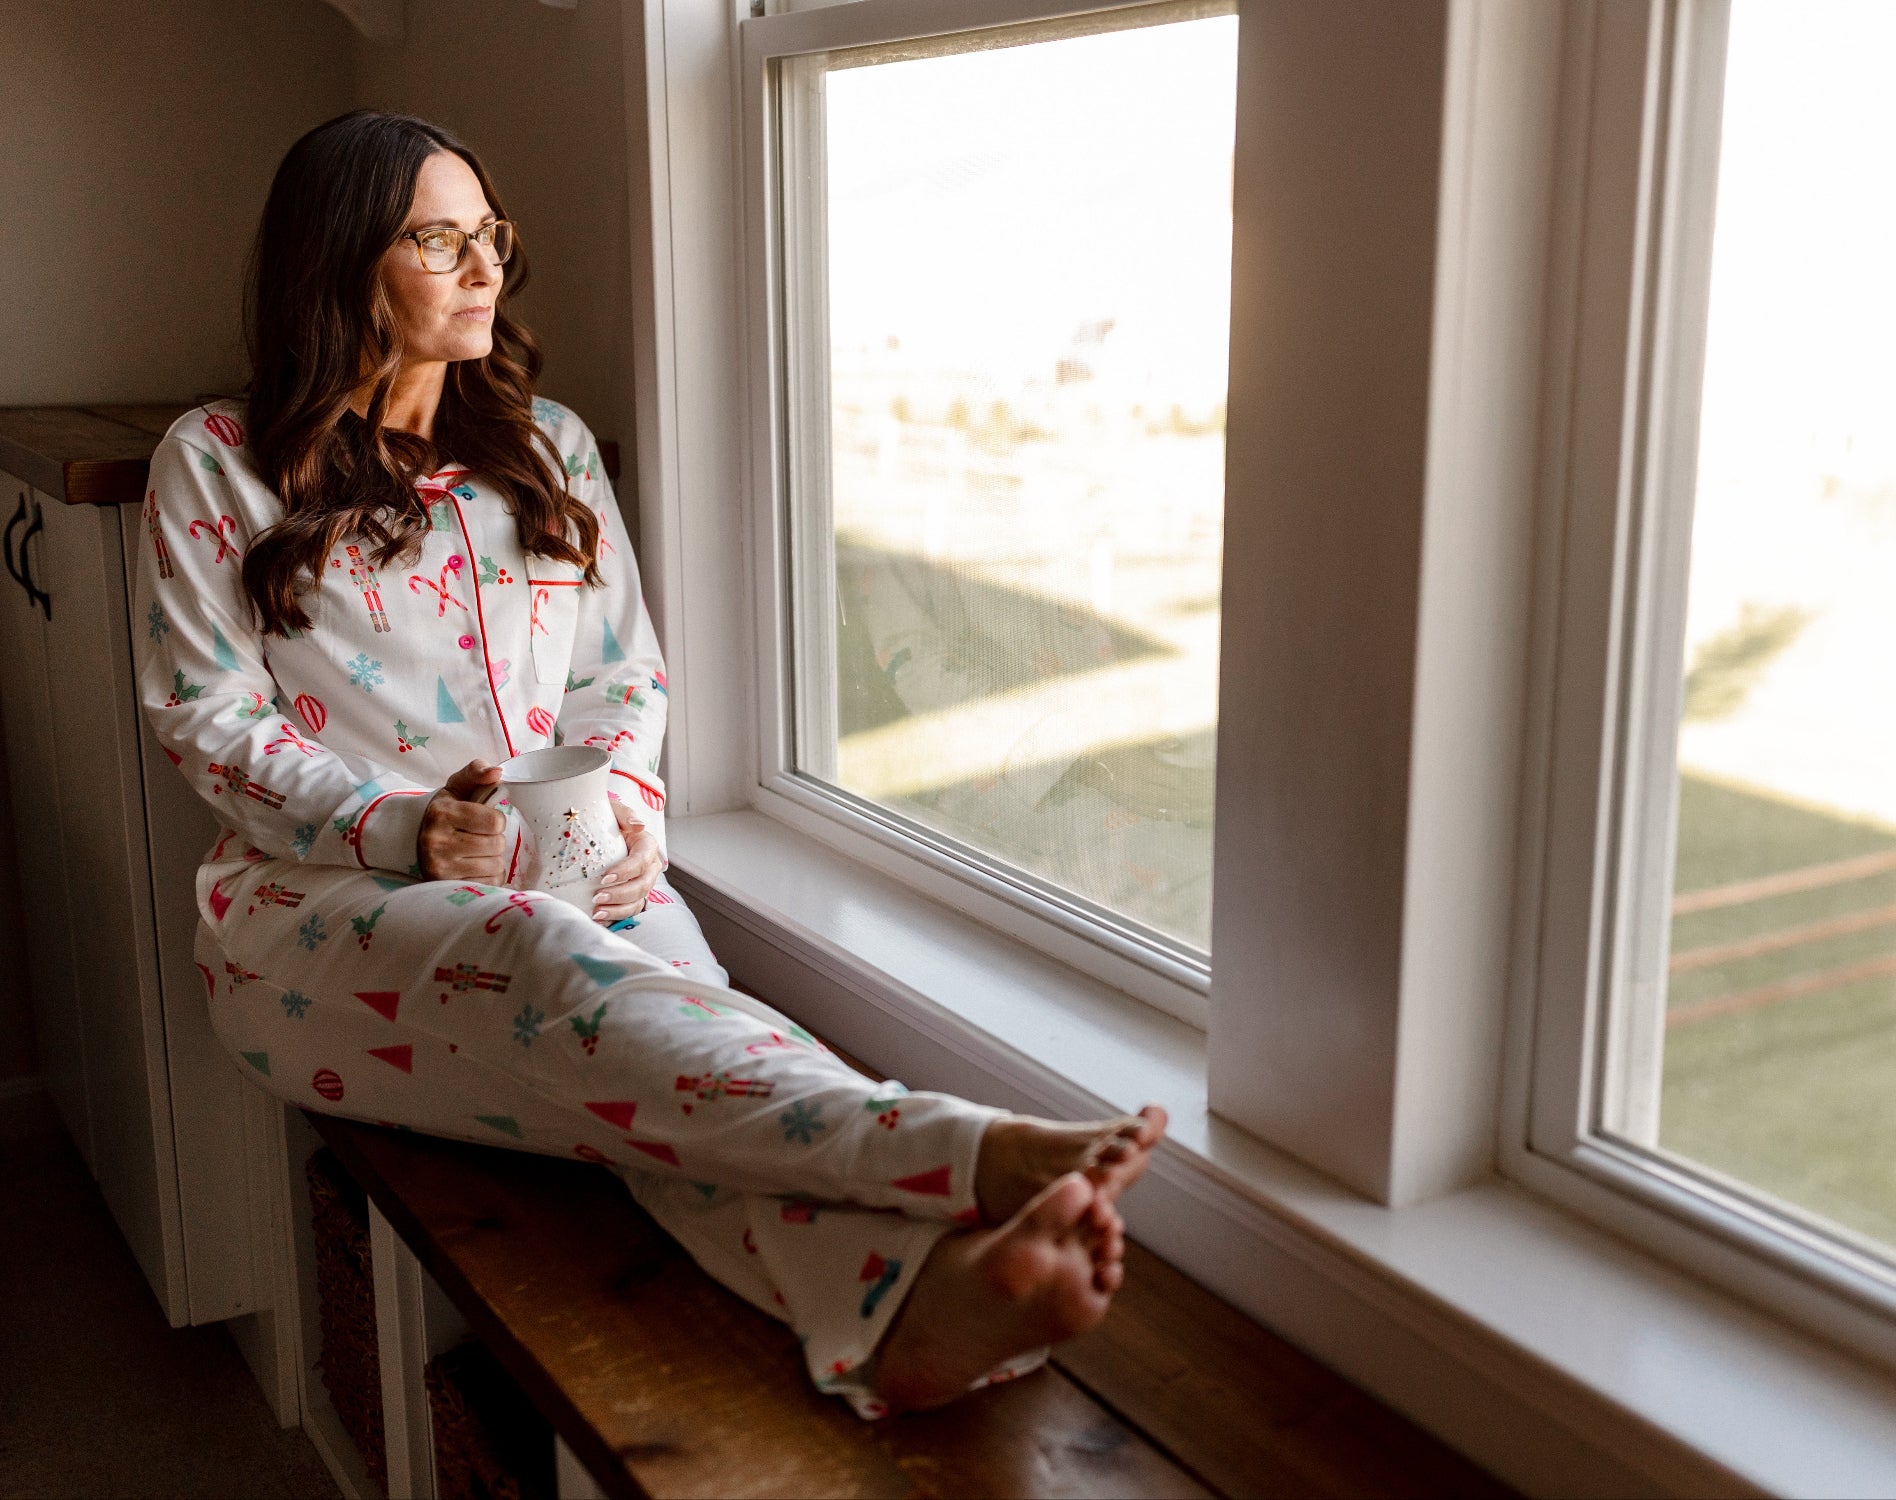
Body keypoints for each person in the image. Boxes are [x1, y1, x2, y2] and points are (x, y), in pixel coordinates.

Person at [134, 110, 1166, 1417]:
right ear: (338, 263)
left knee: (661, 1071)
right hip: (317, 916)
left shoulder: (546, 448)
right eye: (435, 237)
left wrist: (619, 812)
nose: (483, 266)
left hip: (585, 881)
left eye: (487, 233)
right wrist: (401, 830)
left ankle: (900, 1306)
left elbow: (622, 675)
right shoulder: (217, 463)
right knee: (563, 981)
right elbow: (210, 718)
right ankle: (954, 1148)